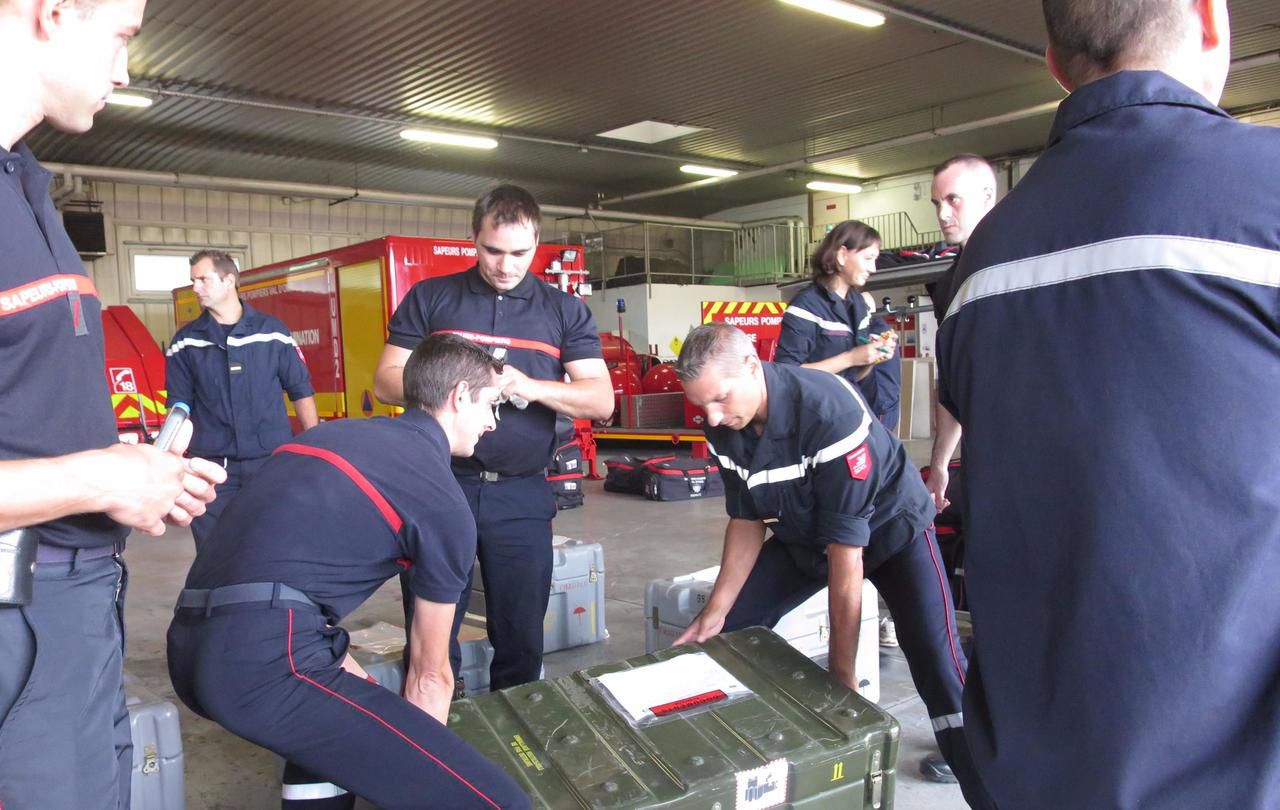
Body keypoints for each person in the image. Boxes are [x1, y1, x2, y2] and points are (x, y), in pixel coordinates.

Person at [937, 0, 1280, 806]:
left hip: (1031, 768)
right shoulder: (1268, 194)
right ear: (1208, 17)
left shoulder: (983, 264)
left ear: (1055, 61)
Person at [0, 1, 225, 807]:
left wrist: (130, 473)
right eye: (123, 36)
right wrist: (99, 479)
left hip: (77, 604)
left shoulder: (25, 186)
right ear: (54, 13)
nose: (127, 70)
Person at [167, 334, 530, 810]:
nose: (490, 422)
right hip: (267, 656)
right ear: (460, 396)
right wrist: (425, 771)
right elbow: (429, 677)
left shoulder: (329, 436)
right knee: (502, 803)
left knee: (338, 729)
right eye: (490, 405)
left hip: (191, 646)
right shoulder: (442, 499)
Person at [673, 324, 994, 810]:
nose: (713, 416)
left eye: (720, 398)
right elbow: (745, 518)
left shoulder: (826, 410)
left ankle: (984, 777)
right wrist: (715, 610)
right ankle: (741, 761)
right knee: (730, 632)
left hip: (891, 530)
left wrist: (842, 681)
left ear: (752, 366)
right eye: (702, 406)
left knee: (935, 653)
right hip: (803, 532)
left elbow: (847, 568)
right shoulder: (723, 425)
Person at [372, 185, 612, 690]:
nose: (505, 265)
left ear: (538, 243)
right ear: (473, 240)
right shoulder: (432, 299)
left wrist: (528, 384)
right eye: (492, 250)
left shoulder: (563, 311)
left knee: (521, 631)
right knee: (432, 628)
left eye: (520, 253)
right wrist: (461, 387)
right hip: (438, 486)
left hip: (521, 491)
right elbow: (385, 379)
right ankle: (443, 726)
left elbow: (600, 400)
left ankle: (514, 732)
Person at [165, 248, 319, 547]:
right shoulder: (186, 343)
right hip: (212, 472)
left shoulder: (273, 334)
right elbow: (179, 406)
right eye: (193, 280)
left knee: (274, 547)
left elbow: (301, 392)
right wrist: (167, 455)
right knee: (215, 555)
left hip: (270, 465)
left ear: (229, 280)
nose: (195, 288)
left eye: (203, 280)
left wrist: (316, 451)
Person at [775, 220, 901, 429]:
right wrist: (851, 357)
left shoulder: (858, 305)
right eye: (868, 258)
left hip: (848, 413)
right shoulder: (806, 306)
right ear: (842, 255)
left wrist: (871, 357)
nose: (874, 268)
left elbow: (853, 375)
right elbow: (786, 375)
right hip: (814, 419)